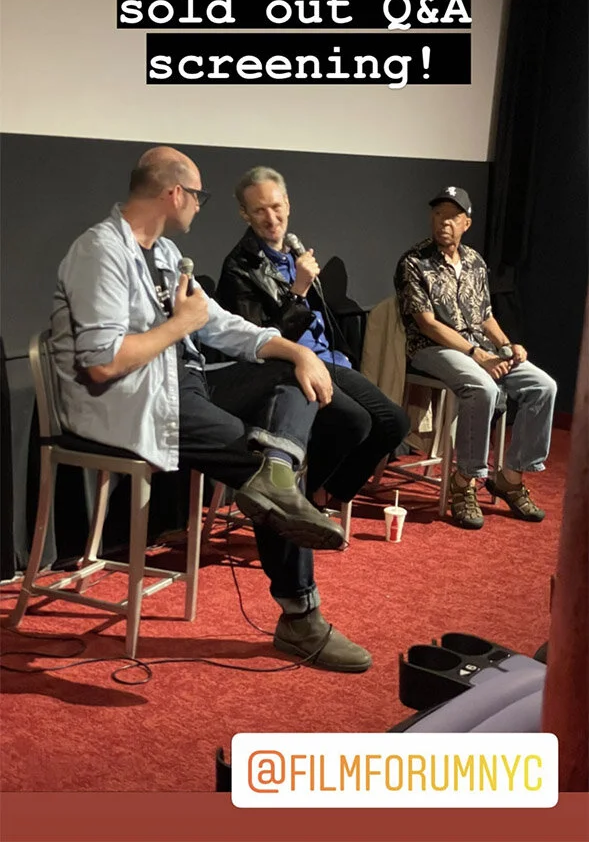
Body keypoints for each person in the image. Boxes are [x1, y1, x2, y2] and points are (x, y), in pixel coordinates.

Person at [50, 146, 372, 673]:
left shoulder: (166, 255)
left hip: (187, 386)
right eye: (197, 195)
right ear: (174, 193)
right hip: (128, 399)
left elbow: (218, 324)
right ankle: (301, 617)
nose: (199, 206)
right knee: (268, 475)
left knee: (286, 402)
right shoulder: (99, 251)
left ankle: (278, 479)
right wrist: (179, 325)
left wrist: (294, 349)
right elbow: (103, 363)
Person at [216, 166, 410, 504]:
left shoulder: (295, 252)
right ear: (244, 214)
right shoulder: (239, 267)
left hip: (329, 360)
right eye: (260, 210)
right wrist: (299, 290)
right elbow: (260, 341)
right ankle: (294, 500)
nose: (271, 217)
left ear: (288, 204)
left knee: (394, 422)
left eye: (276, 206)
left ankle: (324, 493)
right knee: (354, 421)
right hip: (286, 367)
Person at [395, 186, 557, 529]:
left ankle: (511, 477)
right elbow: (427, 325)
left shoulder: (474, 262)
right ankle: (464, 480)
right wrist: (477, 354)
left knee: (543, 386)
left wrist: (507, 345)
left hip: (478, 346)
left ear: (466, 223)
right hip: (432, 349)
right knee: (482, 387)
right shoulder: (414, 261)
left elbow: (485, 316)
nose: (443, 223)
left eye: (452, 217)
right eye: (438, 214)